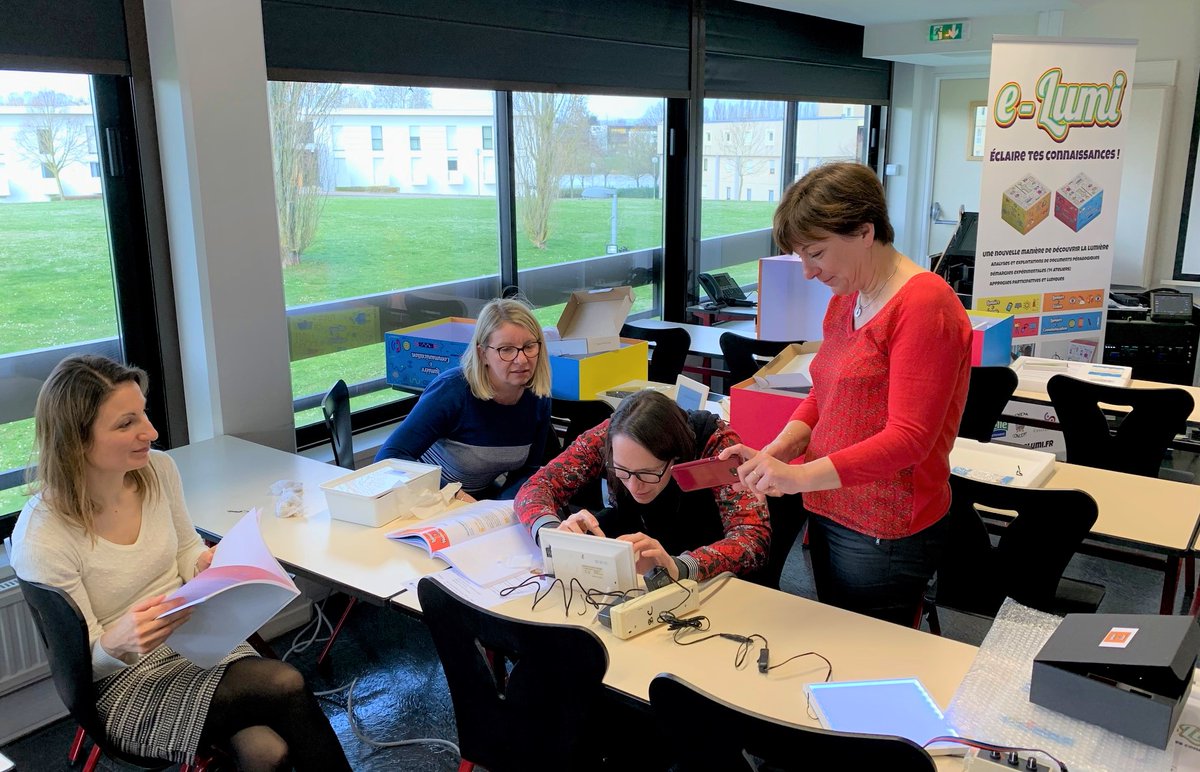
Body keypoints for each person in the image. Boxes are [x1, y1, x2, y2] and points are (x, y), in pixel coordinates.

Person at [10, 355, 351, 771]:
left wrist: (203, 565)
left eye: (144, 414)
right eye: (126, 423)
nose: (150, 432)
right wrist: (117, 643)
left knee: (269, 752)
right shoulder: (43, 536)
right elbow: (82, 669)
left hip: (197, 638)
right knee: (283, 683)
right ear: (75, 441)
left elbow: (185, 548)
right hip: (121, 683)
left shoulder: (157, 471)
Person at [719, 162, 971, 626]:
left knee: (872, 655)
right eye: (801, 256)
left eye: (816, 253)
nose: (810, 273)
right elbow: (824, 394)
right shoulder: (846, 300)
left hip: (885, 523)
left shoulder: (924, 304)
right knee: (838, 637)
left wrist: (796, 478)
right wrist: (780, 450)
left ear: (864, 231)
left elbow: (910, 439)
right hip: (830, 503)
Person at [515, 390, 769, 582]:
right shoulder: (614, 434)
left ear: (676, 458)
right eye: (622, 471)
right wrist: (551, 532)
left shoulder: (717, 446)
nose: (634, 486)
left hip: (712, 584)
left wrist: (680, 566)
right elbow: (537, 487)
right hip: (636, 571)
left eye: (648, 473)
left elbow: (752, 539)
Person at [376, 298, 553, 501]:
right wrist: (455, 495)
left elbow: (528, 471)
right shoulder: (453, 391)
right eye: (506, 350)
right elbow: (389, 457)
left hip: (477, 503)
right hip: (424, 500)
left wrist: (502, 507)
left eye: (529, 347)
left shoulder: (539, 397)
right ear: (483, 353)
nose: (521, 360)